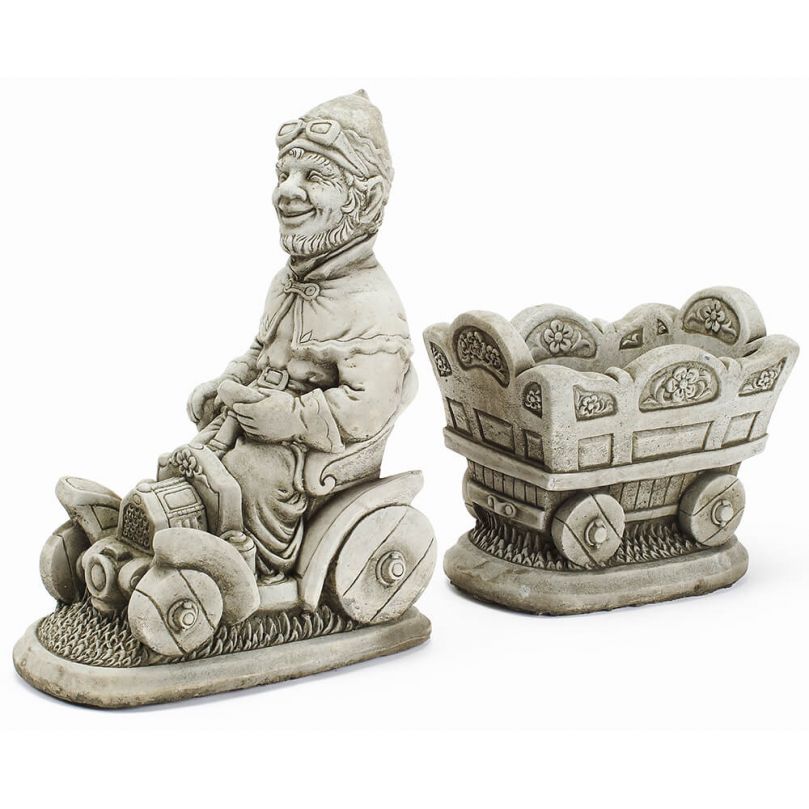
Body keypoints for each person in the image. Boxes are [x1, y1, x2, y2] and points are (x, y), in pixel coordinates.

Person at [182, 91, 413, 583]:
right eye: (283, 174)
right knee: (194, 460)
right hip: (255, 417)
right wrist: (228, 380)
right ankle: (183, 542)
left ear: (366, 199)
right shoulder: (286, 280)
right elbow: (261, 349)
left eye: (313, 177)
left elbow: (370, 405)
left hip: (311, 449)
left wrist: (288, 416)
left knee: (250, 476)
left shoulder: (370, 303)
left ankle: (259, 570)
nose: (286, 191)